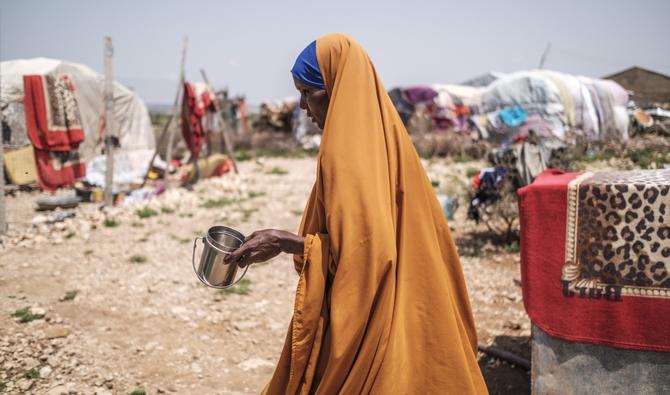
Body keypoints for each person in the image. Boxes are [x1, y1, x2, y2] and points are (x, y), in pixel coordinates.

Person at [225, 33, 487, 394]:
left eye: (307, 93)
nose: (302, 106)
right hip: (418, 299)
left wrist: (287, 242)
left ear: (334, 88)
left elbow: (368, 256)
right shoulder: (389, 136)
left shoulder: (343, 154)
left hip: (378, 315)